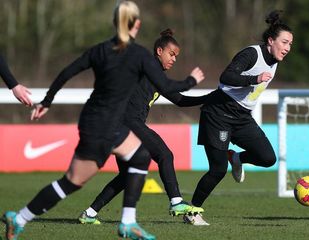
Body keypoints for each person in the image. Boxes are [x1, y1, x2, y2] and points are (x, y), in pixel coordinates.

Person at [2, 1, 204, 240]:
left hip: (96, 121)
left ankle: (125, 222)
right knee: (73, 181)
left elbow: (66, 72)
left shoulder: (100, 50)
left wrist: (47, 101)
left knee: (137, 158)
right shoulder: (139, 55)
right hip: (107, 125)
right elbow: (170, 87)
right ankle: (23, 217)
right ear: (136, 24)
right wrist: (192, 80)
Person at [78, 28, 208, 225]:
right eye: (171, 54)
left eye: (176, 56)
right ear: (159, 51)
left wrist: (211, 98)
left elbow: (179, 100)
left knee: (126, 176)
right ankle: (176, 201)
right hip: (128, 122)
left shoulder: (156, 76)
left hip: (119, 125)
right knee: (165, 154)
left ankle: (89, 213)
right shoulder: (147, 67)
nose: (174, 59)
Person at [184, 10, 293, 226]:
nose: (288, 48)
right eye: (285, 42)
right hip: (218, 113)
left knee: (267, 158)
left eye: (290, 44)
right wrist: (254, 78)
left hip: (242, 117)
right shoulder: (251, 54)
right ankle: (192, 211)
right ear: (270, 40)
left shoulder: (275, 59)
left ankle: (237, 158)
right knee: (217, 170)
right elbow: (226, 77)